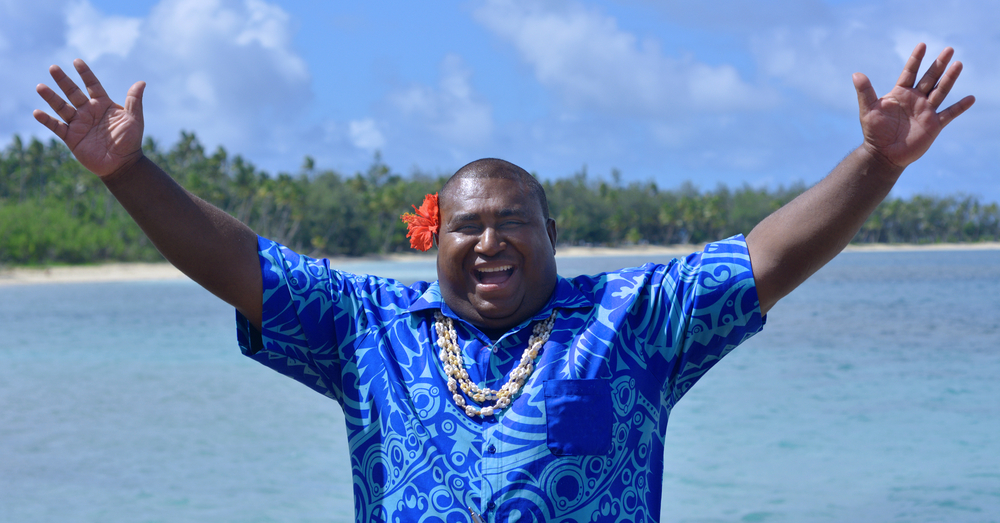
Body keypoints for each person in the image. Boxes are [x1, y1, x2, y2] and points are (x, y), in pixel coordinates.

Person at [33, 44, 974, 522]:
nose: (490, 240)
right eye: (468, 224)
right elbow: (240, 265)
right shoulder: (372, 328)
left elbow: (767, 256)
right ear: (433, 237)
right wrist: (127, 175)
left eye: (513, 221)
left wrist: (876, 166)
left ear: (552, 236)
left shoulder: (632, 319)